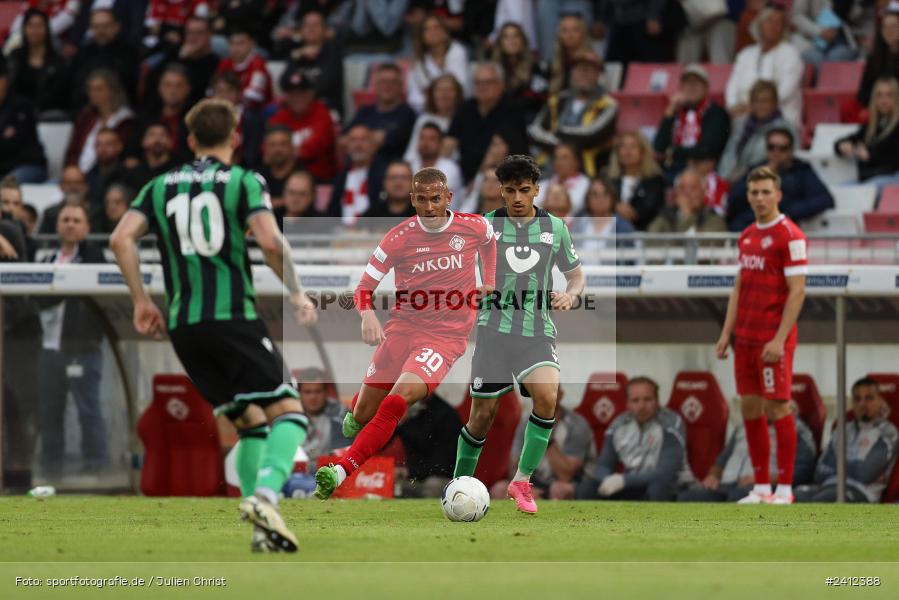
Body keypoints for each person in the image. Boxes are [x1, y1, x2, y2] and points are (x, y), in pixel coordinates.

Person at [110, 98, 318, 553]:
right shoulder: (244, 181)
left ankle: (261, 530)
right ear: (235, 137)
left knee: (250, 423)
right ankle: (265, 497)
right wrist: (297, 292)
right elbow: (269, 241)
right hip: (232, 318)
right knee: (292, 413)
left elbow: (120, 237)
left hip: (184, 325)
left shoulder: (160, 185)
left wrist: (142, 301)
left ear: (189, 140)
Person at [313, 167, 497, 500]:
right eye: (422, 200)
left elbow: (489, 241)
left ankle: (341, 470)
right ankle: (357, 412)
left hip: (444, 339)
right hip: (401, 330)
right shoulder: (398, 237)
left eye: (436, 199)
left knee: (396, 400)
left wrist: (491, 282)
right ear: (412, 200)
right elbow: (364, 287)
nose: (429, 207)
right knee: (364, 412)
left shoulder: (474, 226)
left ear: (448, 198)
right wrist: (367, 315)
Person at [453, 155, 585, 514]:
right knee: (481, 417)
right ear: (500, 190)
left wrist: (571, 295)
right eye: (509, 190)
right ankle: (457, 487)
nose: (516, 198)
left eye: (524, 190)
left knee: (547, 396)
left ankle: (521, 480)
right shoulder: (484, 226)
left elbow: (575, 275)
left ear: (536, 190)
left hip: (536, 331)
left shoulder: (555, 228)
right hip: (493, 333)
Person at [716, 166, 808, 505]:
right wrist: (727, 333)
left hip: (773, 340)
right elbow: (740, 286)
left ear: (778, 195)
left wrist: (779, 339)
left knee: (778, 408)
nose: (759, 198)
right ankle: (760, 488)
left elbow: (797, 292)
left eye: (765, 192)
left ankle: (784, 489)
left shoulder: (791, 236)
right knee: (751, 408)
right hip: (746, 339)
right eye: (754, 192)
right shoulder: (748, 235)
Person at [37, 200, 109, 479]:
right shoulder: (46, 260)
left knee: (88, 408)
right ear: (57, 225)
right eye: (65, 219)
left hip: (82, 347)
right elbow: (38, 298)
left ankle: (96, 465)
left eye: (76, 220)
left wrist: (61, 287)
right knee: (50, 410)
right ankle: (52, 467)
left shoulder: (94, 257)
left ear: (87, 226)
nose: (70, 225)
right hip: (49, 347)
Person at [576, 376, 692, 501]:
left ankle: (658, 521)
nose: (641, 406)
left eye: (647, 400)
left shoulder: (671, 424)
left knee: (658, 488)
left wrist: (623, 480)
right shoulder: (618, 425)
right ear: (627, 404)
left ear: (657, 401)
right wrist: (606, 479)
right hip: (631, 485)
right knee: (587, 488)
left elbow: (666, 473)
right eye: (635, 400)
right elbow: (604, 465)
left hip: (671, 487)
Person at [678, 409, 817, 502]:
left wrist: (766, 479)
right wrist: (713, 475)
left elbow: (803, 471)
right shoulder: (743, 427)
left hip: (761, 486)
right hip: (726, 483)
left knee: (738, 495)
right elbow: (723, 459)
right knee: (688, 497)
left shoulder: (796, 430)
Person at [796, 377, 899, 503]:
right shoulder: (843, 429)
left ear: (880, 401)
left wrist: (838, 466)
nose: (863, 404)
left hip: (861, 492)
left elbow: (864, 474)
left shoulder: (888, 432)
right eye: (857, 399)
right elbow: (820, 471)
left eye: (869, 398)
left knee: (824, 500)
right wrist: (852, 466)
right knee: (795, 495)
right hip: (827, 486)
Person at [491, 387, 593, 501]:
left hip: (567, 483)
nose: (544, 396)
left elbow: (565, 475)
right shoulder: (526, 422)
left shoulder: (577, 424)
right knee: (499, 489)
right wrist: (526, 489)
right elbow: (514, 465)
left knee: (558, 490)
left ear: (561, 395)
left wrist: (544, 434)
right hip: (534, 481)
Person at [529, 50, 617, 180]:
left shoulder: (608, 104)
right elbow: (535, 130)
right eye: (579, 69)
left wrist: (558, 132)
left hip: (586, 170)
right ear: (572, 73)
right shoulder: (557, 100)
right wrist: (560, 146)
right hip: (547, 167)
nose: (583, 73)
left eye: (588, 69)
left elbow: (591, 135)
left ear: (598, 74)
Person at [728, 127, 834, 231]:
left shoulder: (801, 171)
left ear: (791, 151)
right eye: (771, 147)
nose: (776, 152)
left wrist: (788, 212)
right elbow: (733, 199)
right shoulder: (756, 170)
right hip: (753, 226)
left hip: (785, 229)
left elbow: (825, 199)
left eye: (782, 148)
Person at [444, 63, 530, 184]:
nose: (482, 87)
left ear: (501, 84)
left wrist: (476, 184)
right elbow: (448, 144)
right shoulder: (466, 108)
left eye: (488, 82)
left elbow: (497, 152)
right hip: (464, 179)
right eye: (478, 83)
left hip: (501, 179)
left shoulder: (511, 110)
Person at [726, 5, 804, 124]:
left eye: (779, 23)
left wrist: (756, 107)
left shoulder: (790, 53)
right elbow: (732, 85)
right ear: (759, 25)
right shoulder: (746, 54)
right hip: (743, 114)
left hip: (779, 116)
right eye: (769, 21)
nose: (773, 26)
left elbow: (786, 90)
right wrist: (733, 105)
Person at [653, 64, 731, 183]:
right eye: (688, 83)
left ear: (706, 88)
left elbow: (707, 150)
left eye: (696, 83)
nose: (691, 87)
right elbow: (659, 147)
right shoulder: (676, 112)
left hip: (702, 172)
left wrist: (672, 152)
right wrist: (669, 111)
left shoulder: (716, 113)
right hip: (671, 169)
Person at [267, 67, 337, 183]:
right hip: (283, 180)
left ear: (311, 93)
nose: (297, 98)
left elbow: (314, 148)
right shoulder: (279, 117)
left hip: (319, 180)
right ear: (285, 96)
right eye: (292, 94)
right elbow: (266, 150)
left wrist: (282, 152)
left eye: (302, 93)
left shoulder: (322, 113)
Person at [718, 80, 795, 184]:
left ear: (775, 103)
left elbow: (786, 162)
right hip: (730, 180)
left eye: (765, 101)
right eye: (756, 101)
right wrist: (723, 176)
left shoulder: (785, 129)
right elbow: (728, 153)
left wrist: (742, 178)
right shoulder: (741, 124)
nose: (760, 105)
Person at [64, 69, 135, 175]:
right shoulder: (85, 117)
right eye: (91, 89)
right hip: (77, 174)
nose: (93, 94)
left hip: (106, 174)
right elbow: (73, 150)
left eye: (99, 89)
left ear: (112, 90)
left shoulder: (126, 120)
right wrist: (71, 168)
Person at [144, 16, 220, 111]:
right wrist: (181, 57)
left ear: (210, 35)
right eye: (190, 32)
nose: (193, 37)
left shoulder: (216, 63)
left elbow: (198, 90)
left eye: (199, 33)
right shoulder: (175, 53)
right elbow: (154, 81)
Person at [836, 76, 899, 189]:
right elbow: (851, 139)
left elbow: (892, 161)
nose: (884, 100)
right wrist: (842, 145)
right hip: (869, 177)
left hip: (890, 178)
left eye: (889, 95)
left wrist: (869, 155)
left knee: (866, 189)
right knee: (839, 189)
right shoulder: (872, 125)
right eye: (879, 95)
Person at [345, 63, 417, 162]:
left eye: (392, 82)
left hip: (390, 171)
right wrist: (372, 138)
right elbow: (343, 139)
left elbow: (393, 140)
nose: (387, 86)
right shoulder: (364, 111)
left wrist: (357, 139)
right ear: (375, 85)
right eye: (383, 81)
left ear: (401, 86)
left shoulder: (408, 114)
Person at [395, 392, 462, 498]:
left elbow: (442, 465)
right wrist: (394, 422)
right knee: (390, 483)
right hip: (412, 477)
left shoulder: (445, 415)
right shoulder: (408, 413)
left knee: (432, 485)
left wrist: (410, 471)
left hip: (439, 478)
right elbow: (381, 444)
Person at [69, 8, 139, 107]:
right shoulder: (84, 53)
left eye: (105, 26)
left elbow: (126, 85)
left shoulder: (128, 53)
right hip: (84, 108)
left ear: (116, 26)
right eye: (96, 27)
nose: (101, 31)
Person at [6, 8, 69, 115]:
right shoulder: (14, 57)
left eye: (39, 26)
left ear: (47, 29)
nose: (34, 30)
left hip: (47, 117)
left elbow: (60, 95)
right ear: (24, 29)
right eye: (30, 26)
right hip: (15, 115)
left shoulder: (57, 62)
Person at [127, 63, 193, 166]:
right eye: (168, 85)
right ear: (160, 88)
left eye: (179, 86)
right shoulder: (145, 118)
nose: (173, 91)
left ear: (188, 89)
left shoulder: (194, 120)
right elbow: (131, 156)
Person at [283, 10, 344, 116]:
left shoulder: (333, 51)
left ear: (325, 31)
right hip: (296, 108)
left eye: (316, 25)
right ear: (301, 31)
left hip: (325, 108)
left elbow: (326, 85)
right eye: (307, 25)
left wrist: (299, 96)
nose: (311, 29)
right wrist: (298, 55)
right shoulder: (296, 53)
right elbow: (284, 82)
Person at [407, 14, 470, 113]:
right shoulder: (417, 59)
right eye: (427, 29)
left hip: (458, 110)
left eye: (436, 27)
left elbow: (459, 87)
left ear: (445, 30)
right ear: (421, 35)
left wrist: (430, 92)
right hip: (426, 111)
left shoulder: (457, 51)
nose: (433, 32)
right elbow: (414, 95)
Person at [604, 131, 666, 231]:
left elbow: (650, 210)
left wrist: (625, 212)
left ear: (643, 152)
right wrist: (615, 207)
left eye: (633, 146)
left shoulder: (654, 181)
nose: (627, 151)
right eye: (623, 146)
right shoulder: (607, 179)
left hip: (643, 233)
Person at [328, 125, 387, 226]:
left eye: (363, 139)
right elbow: (333, 211)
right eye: (353, 140)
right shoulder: (341, 177)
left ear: (373, 145)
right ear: (347, 146)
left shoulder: (384, 173)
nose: (358, 145)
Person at [0, 59, 47, 184]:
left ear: (6, 80)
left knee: (6, 186)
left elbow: (15, 143)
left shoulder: (22, 106)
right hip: (4, 169)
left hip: (28, 165)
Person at [296, 368, 350, 472]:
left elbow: (341, 458)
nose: (313, 397)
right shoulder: (291, 416)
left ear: (326, 393)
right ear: (299, 394)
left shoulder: (340, 417)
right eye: (308, 392)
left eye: (318, 391)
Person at [403, 74, 463, 164]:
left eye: (449, 90)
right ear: (432, 94)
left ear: (457, 94)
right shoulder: (424, 119)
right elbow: (411, 155)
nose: (444, 95)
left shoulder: (464, 119)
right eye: (439, 90)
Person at [490, 21, 547, 117]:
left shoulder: (535, 68)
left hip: (526, 118)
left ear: (523, 41)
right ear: (500, 43)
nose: (511, 40)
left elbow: (538, 98)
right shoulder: (492, 69)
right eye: (506, 37)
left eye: (516, 36)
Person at [647, 168, 728, 235]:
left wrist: (687, 215)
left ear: (703, 192)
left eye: (693, 188)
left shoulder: (714, 218)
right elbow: (651, 240)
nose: (687, 193)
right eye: (682, 188)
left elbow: (704, 244)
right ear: (676, 192)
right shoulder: (666, 216)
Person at [215, 25, 272, 109]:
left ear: (252, 44)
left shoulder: (258, 65)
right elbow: (213, 90)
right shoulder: (225, 63)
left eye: (240, 43)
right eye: (232, 43)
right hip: (228, 106)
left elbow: (254, 97)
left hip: (255, 111)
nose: (235, 48)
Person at [408, 123, 463, 200]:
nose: (425, 143)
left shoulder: (450, 168)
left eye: (432, 139)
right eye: (422, 138)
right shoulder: (410, 165)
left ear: (440, 144)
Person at [858, 8, 899, 108]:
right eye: (885, 27)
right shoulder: (873, 59)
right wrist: (880, 100)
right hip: (878, 111)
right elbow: (862, 94)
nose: (889, 31)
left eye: (894, 26)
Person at [534, 144, 591, 215]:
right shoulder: (545, 183)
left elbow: (575, 206)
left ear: (577, 162)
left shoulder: (586, 183)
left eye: (564, 158)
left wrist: (546, 203)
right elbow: (531, 205)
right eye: (556, 157)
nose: (559, 162)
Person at [121, 123, 178, 192]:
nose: (157, 139)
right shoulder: (134, 175)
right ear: (143, 141)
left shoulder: (179, 171)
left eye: (162, 135)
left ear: (171, 142)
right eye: (152, 135)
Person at [359, 160, 416, 228]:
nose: (398, 183)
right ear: (384, 182)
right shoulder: (372, 215)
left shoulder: (423, 214)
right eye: (393, 178)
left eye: (404, 178)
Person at [547, 13, 594, 96]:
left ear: (583, 34)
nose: (570, 34)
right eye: (564, 30)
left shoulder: (590, 60)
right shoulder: (556, 61)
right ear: (559, 35)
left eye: (575, 30)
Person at [258, 127, 300, 207]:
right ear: (266, 148)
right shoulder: (258, 176)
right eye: (272, 145)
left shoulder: (304, 175)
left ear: (292, 147)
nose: (278, 149)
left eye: (283, 144)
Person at [84, 128, 126, 208]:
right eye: (98, 144)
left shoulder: (128, 176)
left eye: (108, 144)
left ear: (119, 146)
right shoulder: (88, 176)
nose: (103, 149)